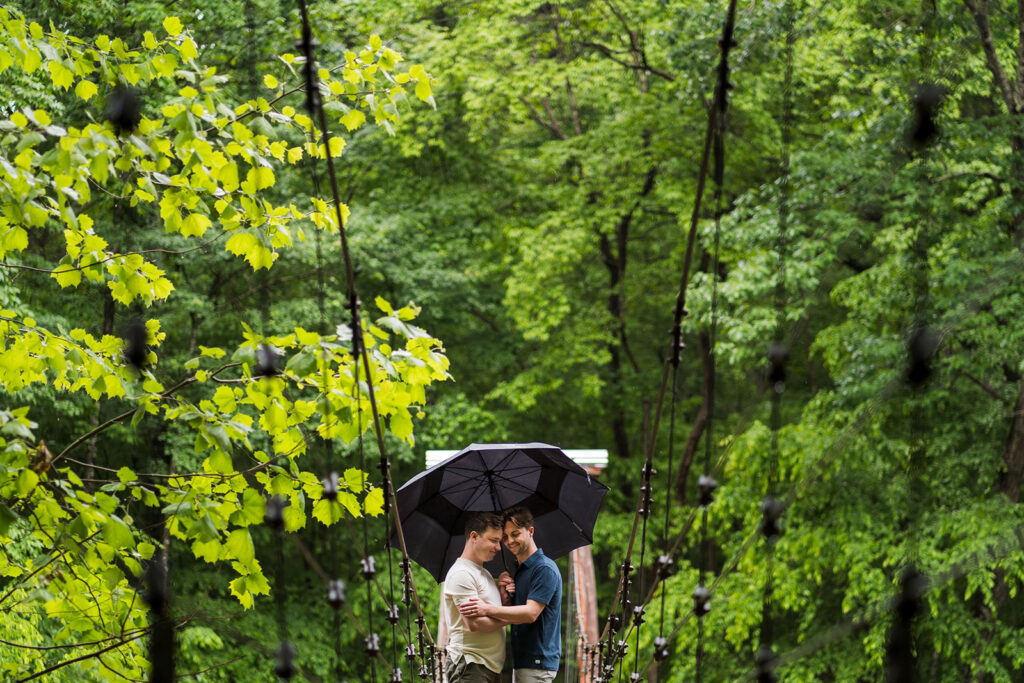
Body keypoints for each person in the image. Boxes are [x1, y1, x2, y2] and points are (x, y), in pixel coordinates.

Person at [458, 507, 562, 682]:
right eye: (505, 537)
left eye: (515, 534)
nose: (510, 541)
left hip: (537, 661)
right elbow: (511, 615)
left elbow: (530, 613)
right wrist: (504, 596)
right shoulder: (517, 570)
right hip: (521, 660)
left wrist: (487, 609)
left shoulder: (544, 569)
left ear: (530, 531)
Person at [441, 512, 510, 683]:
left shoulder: (483, 573)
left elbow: (491, 613)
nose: (499, 547)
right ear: (474, 536)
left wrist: (503, 599)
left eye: (499, 541)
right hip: (471, 666)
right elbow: (475, 623)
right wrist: (515, 617)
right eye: (493, 540)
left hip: (488, 667)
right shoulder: (462, 573)